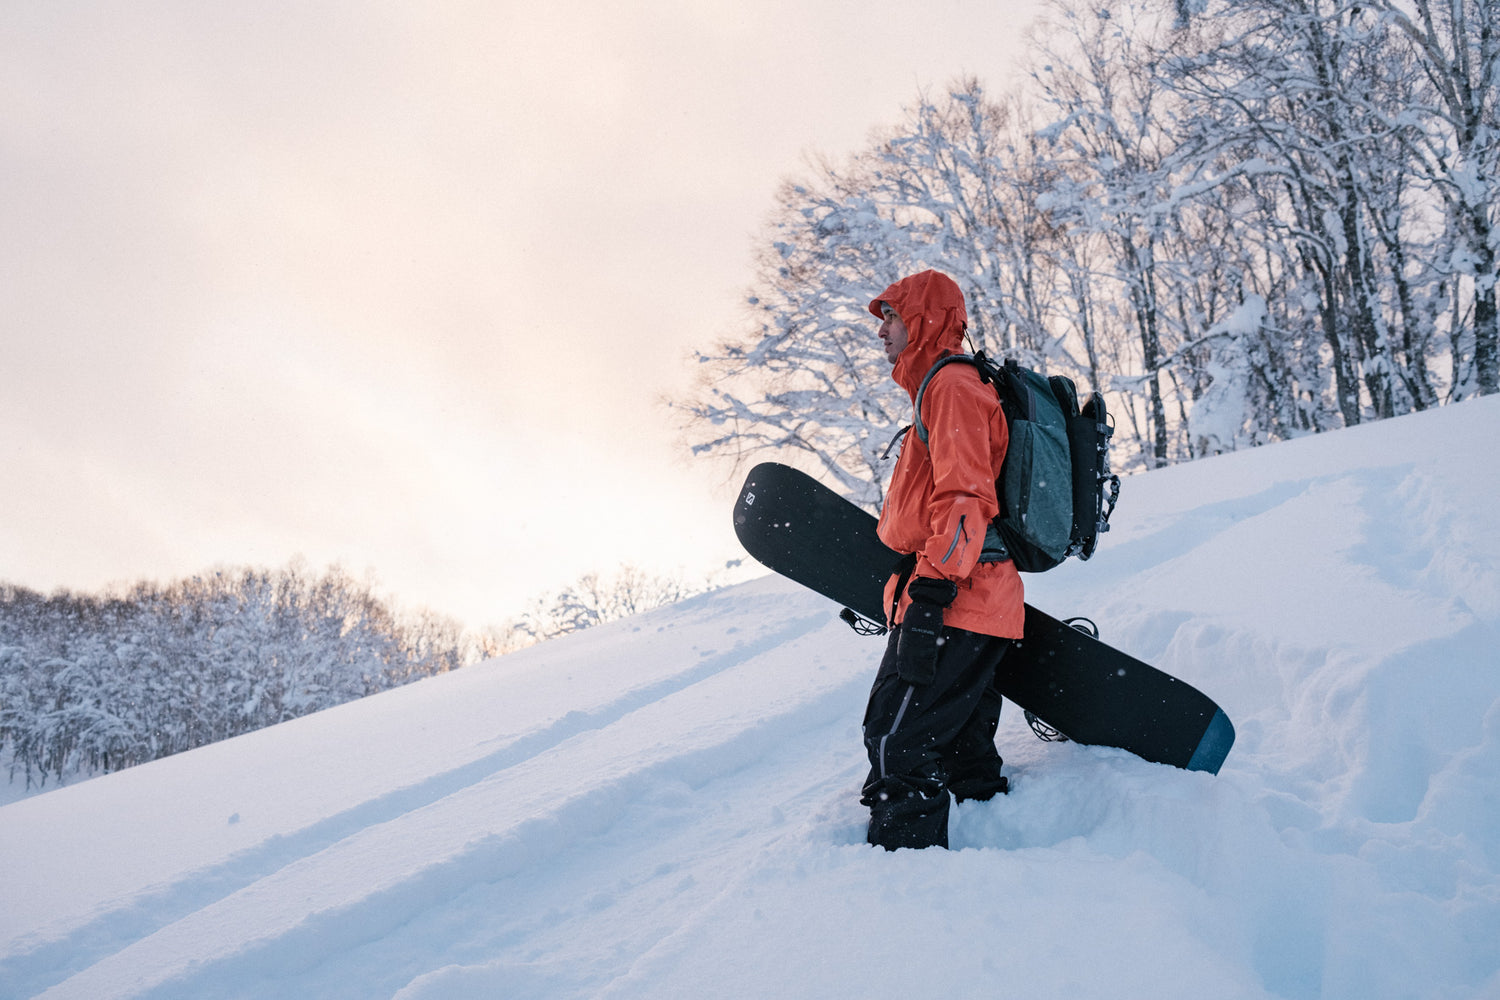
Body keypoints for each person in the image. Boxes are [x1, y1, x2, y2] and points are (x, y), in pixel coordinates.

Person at [861, 269, 1025, 851]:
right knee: (956, 744)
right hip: (975, 597)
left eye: (893, 318)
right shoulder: (942, 387)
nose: (882, 332)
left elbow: (965, 500)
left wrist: (930, 595)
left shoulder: (951, 388)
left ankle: (907, 877)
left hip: (956, 597)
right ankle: (994, 835)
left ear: (924, 320)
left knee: (895, 738)